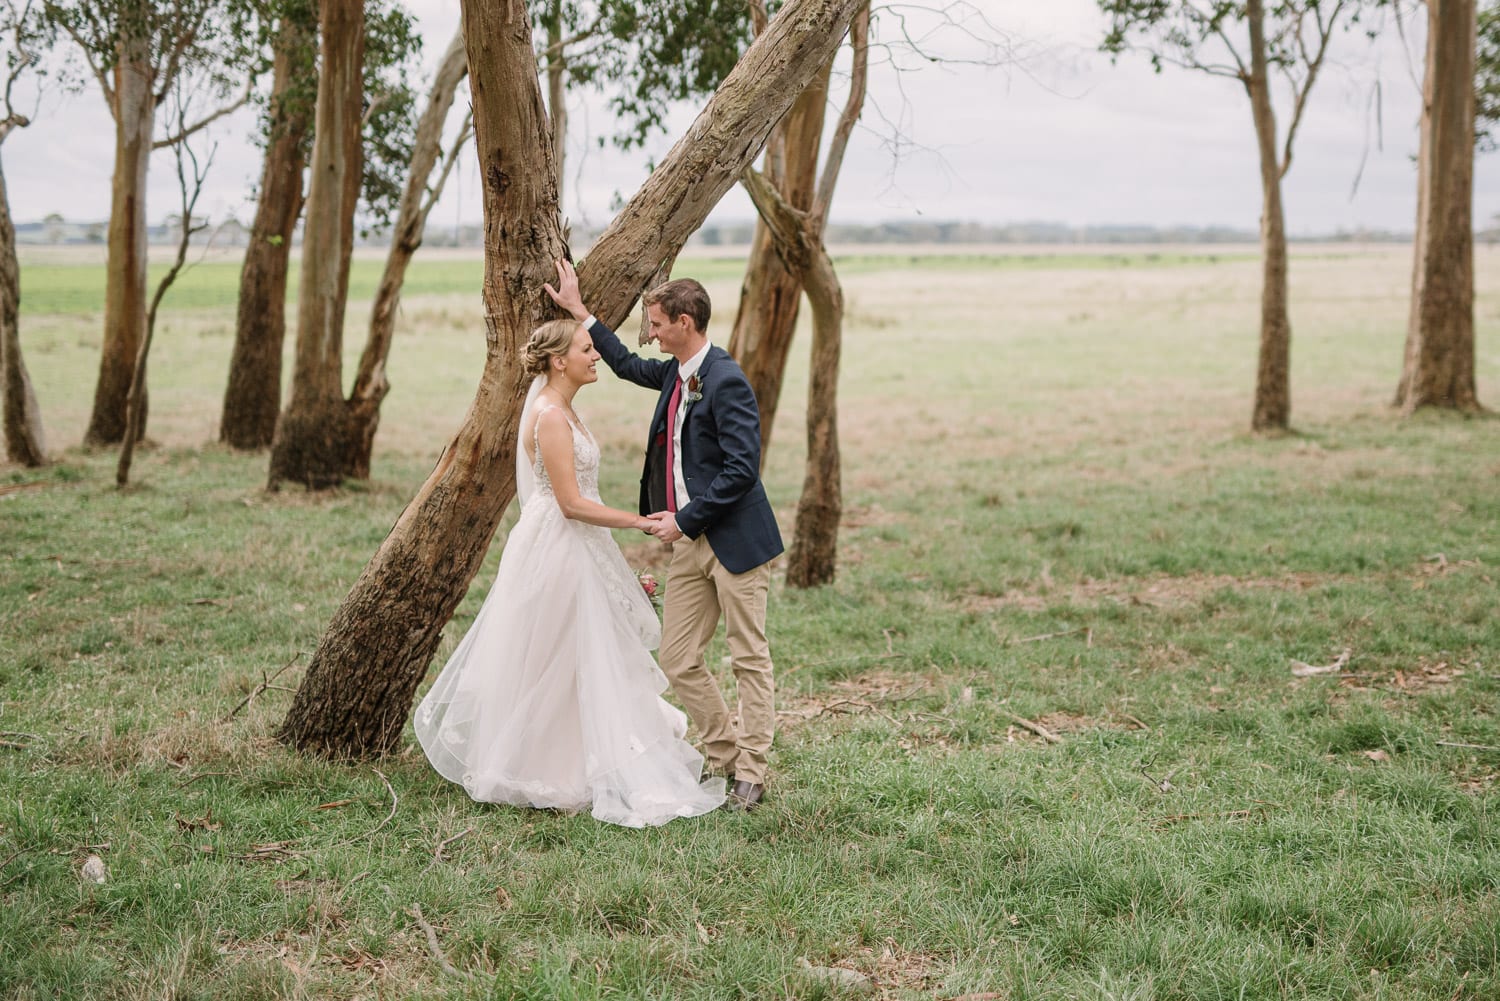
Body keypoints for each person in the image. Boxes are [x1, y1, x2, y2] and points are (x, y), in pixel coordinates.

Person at [413, 318, 726, 828]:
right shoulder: (551, 416)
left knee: (578, 657)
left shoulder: (566, 410)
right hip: (559, 549)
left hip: (579, 545)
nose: (595, 356)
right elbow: (571, 504)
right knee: (559, 657)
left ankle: (580, 757)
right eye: (586, 349)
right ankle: (549, 769)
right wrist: (640, 522)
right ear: (559, 361)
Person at [545, 259, 784, 811]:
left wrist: (686, 517)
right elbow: (627, 364)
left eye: (655, 323)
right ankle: (723, 753)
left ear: (684, 322)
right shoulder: (676, 373)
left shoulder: (725, 379)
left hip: (735, 542)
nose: (649, 333)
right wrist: (581, 312)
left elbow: (742, 468)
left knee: (749, 656)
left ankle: (750, 771)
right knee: (677, 658)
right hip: (688, 544)